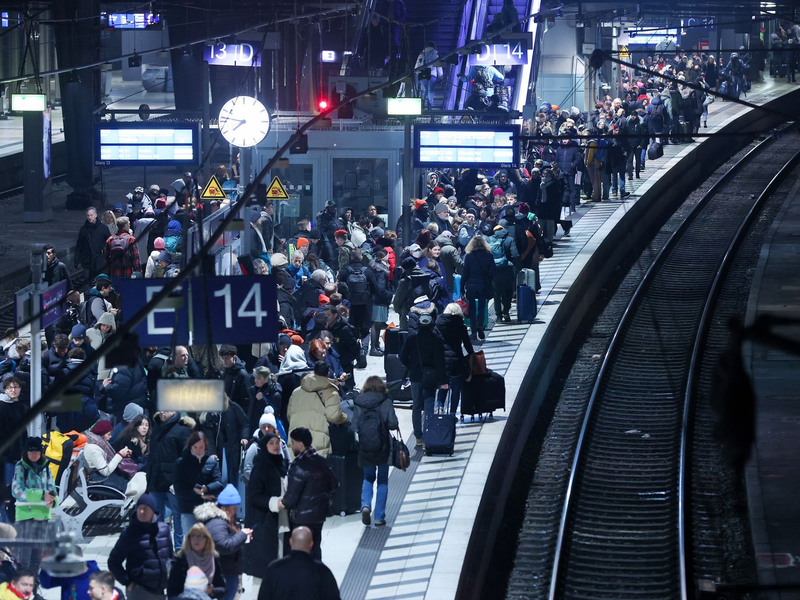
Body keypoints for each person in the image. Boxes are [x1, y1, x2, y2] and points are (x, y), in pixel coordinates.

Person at [277, 428, 338, 560]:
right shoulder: (321, 461)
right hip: (319, 515)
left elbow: (291, 497)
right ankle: (317, 575)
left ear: (300, 444)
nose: (291, 447)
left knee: (302, 552)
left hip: (302, 518)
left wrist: (282, 503)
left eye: (293, 443)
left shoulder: (298, 466)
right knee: (316, 548)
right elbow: (334, 484)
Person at [243, 433, 288, 591]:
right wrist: (273, 502)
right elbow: (254, 497)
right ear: (264, 446)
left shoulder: (280, 465)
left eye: (277, 442)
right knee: (263, 569)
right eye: (271, 443)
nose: (275, 446)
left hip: (279, 522)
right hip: (264, 524)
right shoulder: (260, 467)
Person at [352, 377, 398, 527]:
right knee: (382, 480)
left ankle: (366, 505)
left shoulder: (359, 401)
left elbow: (354, 426)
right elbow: (392, 424)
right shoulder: (385, 400)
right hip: (383, 446)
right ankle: (379, 517)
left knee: (368, 477)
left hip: (365, 446)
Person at [193, 485, 252, 600]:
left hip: (228, 570)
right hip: (223, 573)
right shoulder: (217, 523)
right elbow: (223, 546)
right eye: (233, 508)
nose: (235, 511)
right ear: (224, 507)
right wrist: (242, 535)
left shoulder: (225, 520)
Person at [108, 495, 173, 600]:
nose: (142, 512)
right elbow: (113, 561)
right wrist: (128, 582)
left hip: (161, 590)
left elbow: (170, 556)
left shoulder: (164, 530)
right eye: (139, 508)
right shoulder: (129, 533)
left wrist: (172, 577)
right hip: (139, 590)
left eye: (146, 509)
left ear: (153, 511)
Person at [11, 438, 57, 578]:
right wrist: (42, 496)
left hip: (42, 515)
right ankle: (21, 592)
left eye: (36, 451)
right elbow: (17, 491)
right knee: (24, 558)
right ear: (26, 452)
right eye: (30, 451)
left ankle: (33, 590)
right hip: (26, 516)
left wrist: (53, 501)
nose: (34, 454)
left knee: (36, 558)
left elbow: (52, 489)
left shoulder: (46, 467)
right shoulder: (21, 467)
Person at [399, 313, 447, 447]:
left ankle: (418, 437)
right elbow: (440, 362)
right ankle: (428, 435)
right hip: (430, 378)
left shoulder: (412, 339)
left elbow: (402, 356)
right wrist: (443, 380)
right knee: (429, 407)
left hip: (415, 376)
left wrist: (411, 366)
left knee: (416, 406)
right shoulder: (436, 339)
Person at [149, 411, 196, 549]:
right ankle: (159, 545)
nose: (162, 412)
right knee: (157, 514)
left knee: (178, 515)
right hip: (156, 479)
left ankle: (179, 547)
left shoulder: (183, 429)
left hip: (173, 481)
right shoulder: (157, 427)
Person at [256, 526, 340, 600]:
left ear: (291, 541)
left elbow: (263, 597)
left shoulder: (273, 568)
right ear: (311, 544)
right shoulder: (322, 571)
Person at [286, 361, 349, 458]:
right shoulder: (331, 392)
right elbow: (334, 417)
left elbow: (289, 415)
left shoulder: (296, 391)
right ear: (328, 374)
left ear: (314, 372)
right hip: (317, 443)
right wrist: (345, 418)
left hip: (296, 441)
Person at [84, 420, 148, 504]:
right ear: (101, 433)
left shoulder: (99, 442)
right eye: (108, 434)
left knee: (142, 476)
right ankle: (138, 507)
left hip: (106, 477)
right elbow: (105, 471)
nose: (110, 437)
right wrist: (120, 455)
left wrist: (122, 454)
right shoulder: (94, 449)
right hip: (102, 480)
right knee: (140, 483)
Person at [174, 432, 224, 537]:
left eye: (201, 447)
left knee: (208, 541)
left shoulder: (212, 462)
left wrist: (207, 489)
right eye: (195, 447)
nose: (198, 450)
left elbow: (219, 483)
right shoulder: (181, 462)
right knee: (191, 540)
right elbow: (179, 488)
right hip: (188, 508)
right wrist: (200, 495)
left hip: (208, 508)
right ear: (190, 446)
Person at [166, 523, 226, 600]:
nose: (196, 540)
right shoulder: (182, 559)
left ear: (207, 539)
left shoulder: (213, 558)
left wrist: (212, 591)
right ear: (189, 539)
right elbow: (172, 590)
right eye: (193, 536)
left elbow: (222, 588)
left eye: (200, 536)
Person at [434, 303, 474, 415]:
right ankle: (452, 413)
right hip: (456, 360)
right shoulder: (460, 326)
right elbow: (467, 344)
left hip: (442, 361)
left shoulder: (438, 324)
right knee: (456, 388)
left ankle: (440, 406)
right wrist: (471, 354)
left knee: (443, 385)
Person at [0, 378, 27, 524]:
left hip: (18, 454)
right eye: (10, 388)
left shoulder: (19, 405)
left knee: (16, 489)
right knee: (8, 490)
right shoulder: (2, 406)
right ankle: (7, 524)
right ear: (5, 389)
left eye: (16, 387)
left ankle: (13, 520)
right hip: (7, 457)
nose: (13, 390)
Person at [461, 235, 496, 340]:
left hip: (471, 284)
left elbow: (465, 272)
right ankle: (480, 325)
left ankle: (473, 332)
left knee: (472, 308)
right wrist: (489, 280)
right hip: (483, 284)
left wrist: (462, 286)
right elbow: (494, 271)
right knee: (482, 306)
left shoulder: (469, 256)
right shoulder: (488, 255)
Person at [75, 207, 111, 283]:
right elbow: (79, 245)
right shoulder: (83, 229)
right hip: (86, 260)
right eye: (88, 215)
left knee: (99, 282)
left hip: (99, 261)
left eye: (91, 215)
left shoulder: (103, 228)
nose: (89, 217)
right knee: (86, 282)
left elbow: (109, 243)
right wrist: (76, 259)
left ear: (96, 215)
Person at [218, 345, 251, 414]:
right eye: (222, 358)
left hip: (238, 413)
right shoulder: (225, 372)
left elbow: (246, 399)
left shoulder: (242, 374)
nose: (224, 361)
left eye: (227, 358)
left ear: (234, 357)